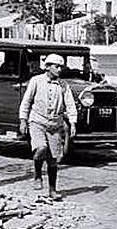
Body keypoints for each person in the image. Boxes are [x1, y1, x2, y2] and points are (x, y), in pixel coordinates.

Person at [19, 53, 77, 200]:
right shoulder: (36, 81)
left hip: (55, 125)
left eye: (60, 67)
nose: (59, 69)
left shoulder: (64, 85)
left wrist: (73, 122)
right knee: (41, 148)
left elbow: (70, 105)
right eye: (56, 66)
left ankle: (52, 190)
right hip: (37, 121)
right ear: (47, 67)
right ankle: (37, 174)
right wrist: (23, 120)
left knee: (53, 159)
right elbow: (26, 102)